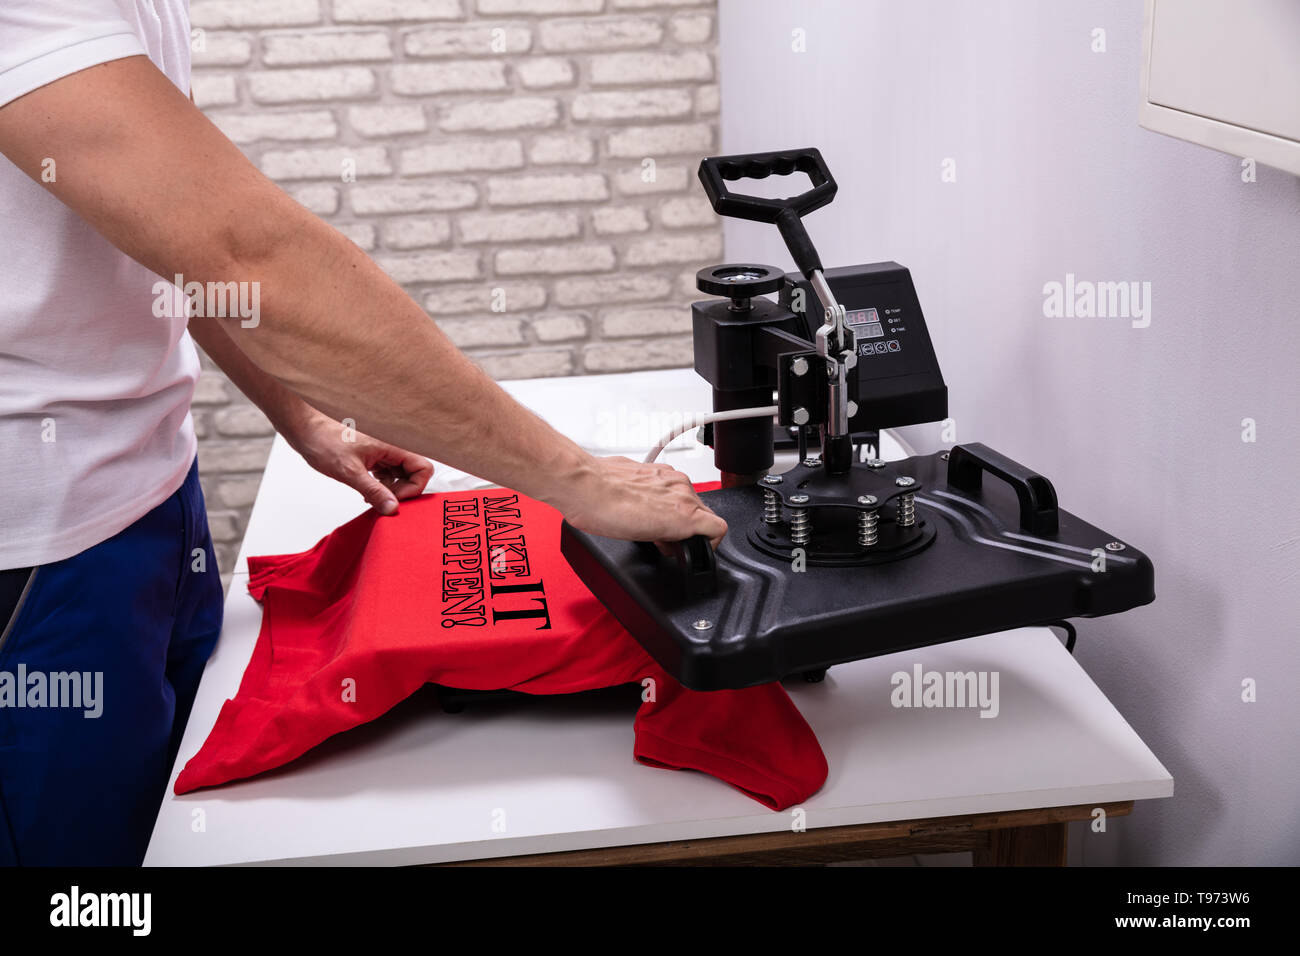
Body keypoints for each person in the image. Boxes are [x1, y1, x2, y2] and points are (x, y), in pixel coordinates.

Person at [0, 0, 726, 866]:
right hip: (43, 550)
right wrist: (574, 481)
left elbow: (168, 239)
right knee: (88, 870)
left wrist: (298, 412)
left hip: (153, 495)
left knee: (192, 826)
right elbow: (247, 254)